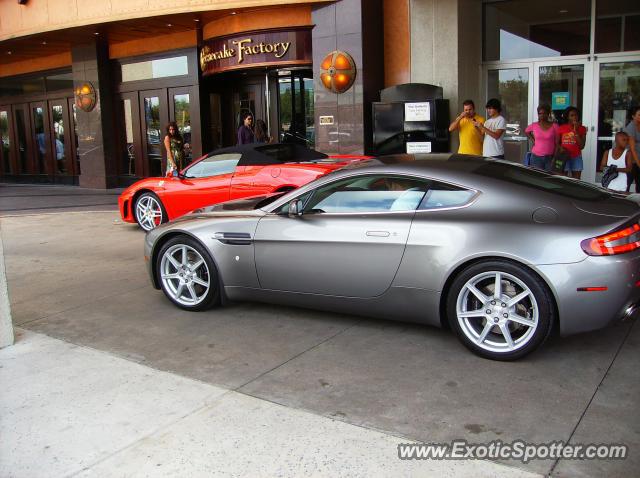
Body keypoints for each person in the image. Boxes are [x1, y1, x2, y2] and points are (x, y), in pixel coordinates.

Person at [525, 104, 558, 171]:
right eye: (540, 113)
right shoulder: (534, 125)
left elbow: (557, 143)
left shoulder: (554, 126)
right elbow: (526, 131)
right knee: (537, 178)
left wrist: (554, 158)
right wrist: (533, 140)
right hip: (536, 157)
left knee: (549, 178)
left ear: (548, 114)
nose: (542, 115)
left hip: (550, 157)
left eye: (544, 113)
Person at [557, 106, 587, 179]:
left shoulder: (582, 128)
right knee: (563, 179)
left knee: (576, 180)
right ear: (567, 117)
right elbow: (557, 143)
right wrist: (560, 148)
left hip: (576, 157)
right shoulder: (561, 128)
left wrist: (576, 131)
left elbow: (582, 146)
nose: (574, 117)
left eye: (576, 115)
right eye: (572, 115)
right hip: (563, 156)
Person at [623, 106, 640, 192]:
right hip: (631, 160)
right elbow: (632, 149)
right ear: (633, 116)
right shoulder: (631, 127)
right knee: (627, 183)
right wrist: (639, 164)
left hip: (638, 159)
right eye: (639, 115)